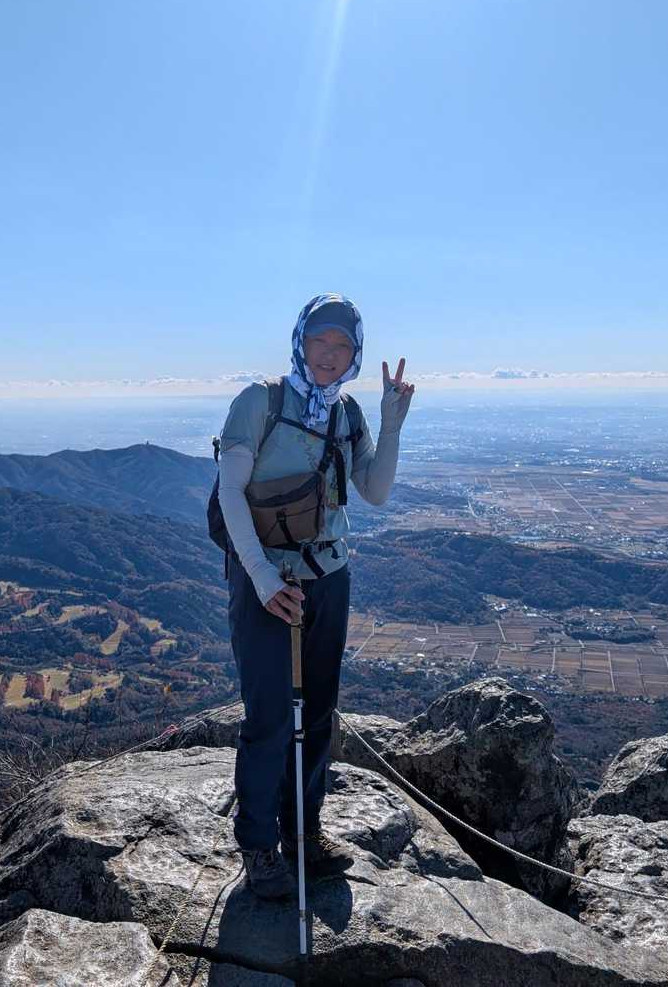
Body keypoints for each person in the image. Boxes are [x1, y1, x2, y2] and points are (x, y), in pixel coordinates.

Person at [216, 292, 414, 899]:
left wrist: (390, 423)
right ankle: (258, 845)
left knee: (320, 711)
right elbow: (230, 493)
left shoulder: (346, 412)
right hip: (265, 580)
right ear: (299, 341)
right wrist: (261, 576)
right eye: (319, 340)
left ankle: (304, 833)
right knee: (271, 715)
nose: (329, 354)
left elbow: (375, 491)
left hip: (328, 575)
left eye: (342, 345)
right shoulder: (260, 402)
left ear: (356, 354)